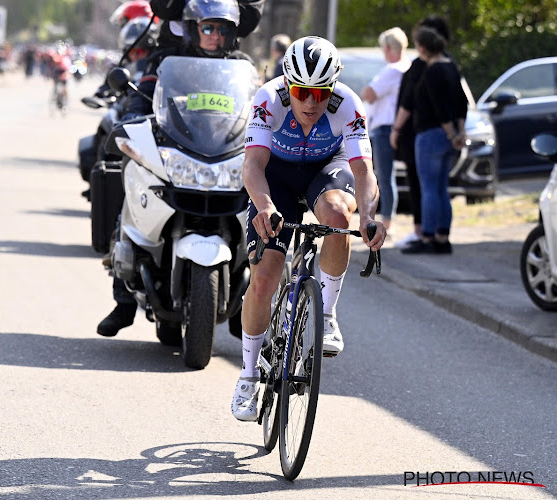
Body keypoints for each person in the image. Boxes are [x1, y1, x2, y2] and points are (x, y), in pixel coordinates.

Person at [230, 36, 386, 421]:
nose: (311, 103)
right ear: (288, 85)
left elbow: (364, 171)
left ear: (332, 88)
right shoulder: (269, 99)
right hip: (276, 176)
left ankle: (328, 315)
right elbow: (252, 166)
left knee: (337, 215)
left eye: (320, 93)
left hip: (324, 169)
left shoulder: (348, 105)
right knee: (264, 277)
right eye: (301, 92)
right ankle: (248, 376)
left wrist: (367, 215)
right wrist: (264, 206)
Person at [96, 0, 255, 337]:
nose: (215, 36)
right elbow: (141, 97)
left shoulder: (242, 66)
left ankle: (248, 310)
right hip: (176, 153)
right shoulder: (166, 60)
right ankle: (123, 300)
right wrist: (130, 121)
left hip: (225, 154)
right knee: (130, 189)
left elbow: (260, 107)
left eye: (223, 29)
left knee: (264, 220)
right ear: (192, 28)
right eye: (208, 28)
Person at [397, 25, 466, 255]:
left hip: (431, 135)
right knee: (441, 188)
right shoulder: (451, 68)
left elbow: (438, 107)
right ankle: (443, 237)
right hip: (448, 136)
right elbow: (461, 103)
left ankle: (427, 237)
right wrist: (459, 132)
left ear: (422, 47)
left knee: (428, 189)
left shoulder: (432, 71)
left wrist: (451, 133)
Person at [390, 15, 451, 248]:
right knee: (437, 187)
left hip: (420, 132)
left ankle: (423, 234)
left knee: (421, 185)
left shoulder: (423, 66)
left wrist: (396, 129)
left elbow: (409, 100)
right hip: (438, 133)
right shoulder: (447, 64)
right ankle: (438, 235)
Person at [360, 27, 410, 235]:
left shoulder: (393, 69)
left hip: (384, 127)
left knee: (384, 176)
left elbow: (369, 93)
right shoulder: (407, 67)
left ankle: (386, 220)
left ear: (389, 48)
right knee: (388, 176)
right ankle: (388, 217)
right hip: (392, 127)